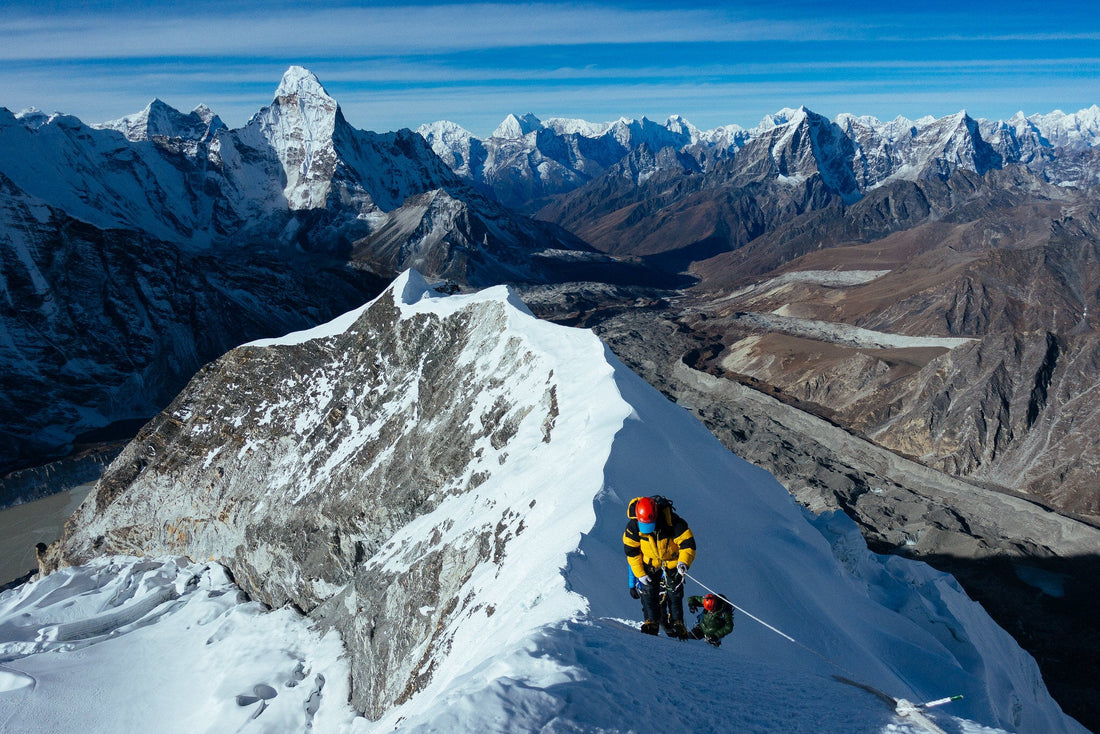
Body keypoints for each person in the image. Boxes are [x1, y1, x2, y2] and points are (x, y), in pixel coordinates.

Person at [623, 495, 696, 638]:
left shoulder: (672, 522)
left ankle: (677, 623)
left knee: (675, 592)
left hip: (672, 562)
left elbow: (687, 543)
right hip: (649, 563)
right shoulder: (633, 526)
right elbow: (631, 552)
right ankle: (652, 622)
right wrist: (639, 573)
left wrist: (683, 562)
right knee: (649, 592)